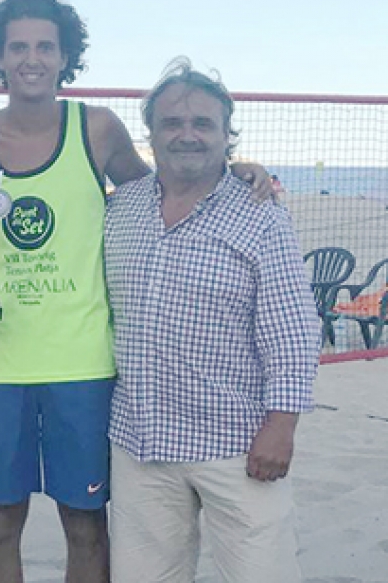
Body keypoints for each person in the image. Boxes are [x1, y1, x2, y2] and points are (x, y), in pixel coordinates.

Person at [0, 0, 272, 583]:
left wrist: (235, 169)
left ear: (66, 56)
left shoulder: (96, 129)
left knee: (87, 524)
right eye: (18, 47)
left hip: (85, 363)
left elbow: (165, 191)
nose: (32, 58)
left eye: (46, 46)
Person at [104, 60, 320, 583]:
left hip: (236, 442)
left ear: (227, 136)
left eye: (203, 124)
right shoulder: (120, 208)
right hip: (140, 440)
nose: (187, 135)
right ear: (151, 135)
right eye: (172, 124)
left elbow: (291, 328)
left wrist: (282, 425)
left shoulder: (260, 213)